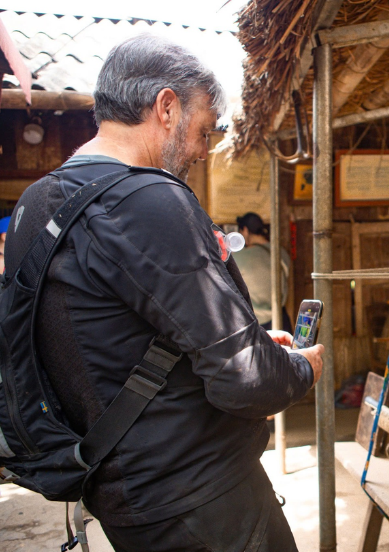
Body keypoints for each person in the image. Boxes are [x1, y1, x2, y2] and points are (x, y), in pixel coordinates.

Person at [3, 34, 323, 552]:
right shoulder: (150, 199)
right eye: (202, 131)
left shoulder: (34, 206)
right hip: (203, 500)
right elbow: (248, 382)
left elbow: (115, 337)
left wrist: (251, 343)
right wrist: (302, 367)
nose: (201, 150)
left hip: (120, 496)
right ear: (166, 107)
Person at [233, 212, 293, 331]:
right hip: (280, 320)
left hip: (254, 323)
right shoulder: (281, 253)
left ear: (245, 230)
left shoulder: (239, 257)